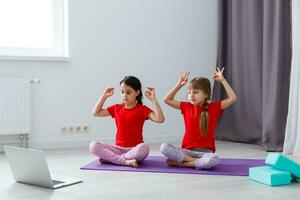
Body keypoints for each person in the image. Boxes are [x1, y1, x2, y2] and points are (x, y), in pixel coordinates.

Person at [160, 68, 237, 169]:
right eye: (189, 92)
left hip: (205, 153)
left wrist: (222, 80)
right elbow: (167, 99)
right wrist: (179, 85)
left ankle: (183, 164)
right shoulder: (186, 106)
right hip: (186, 152)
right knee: (164, 147)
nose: (191, 95)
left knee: (214, 159)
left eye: (195, 92)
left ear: (205, 94)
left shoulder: (214, 108)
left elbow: (232, 98)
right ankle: (194, 162)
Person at [89, 76, 164, 167]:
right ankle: (124, 161)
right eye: (122, 92)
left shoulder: (142, 109)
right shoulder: (116, 108)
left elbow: (160, 119)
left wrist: (153, 100)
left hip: (135, 150)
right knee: (93, 145)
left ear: (137, 93)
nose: (124, 95)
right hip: (118, 149)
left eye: (128, 92)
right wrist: (103, 97)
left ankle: (114, 159)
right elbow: (95, 113)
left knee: (145, 148)